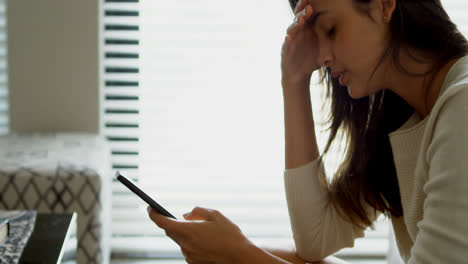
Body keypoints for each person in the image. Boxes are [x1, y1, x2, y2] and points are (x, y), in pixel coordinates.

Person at [147, 0, 468, 263]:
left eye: (330, 29)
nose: (323, 56)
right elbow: (316, 239)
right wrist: (294, 79)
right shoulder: (402, 116)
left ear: (384, 4)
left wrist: (240, 254)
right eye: (314, 37)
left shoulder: (462, 105)